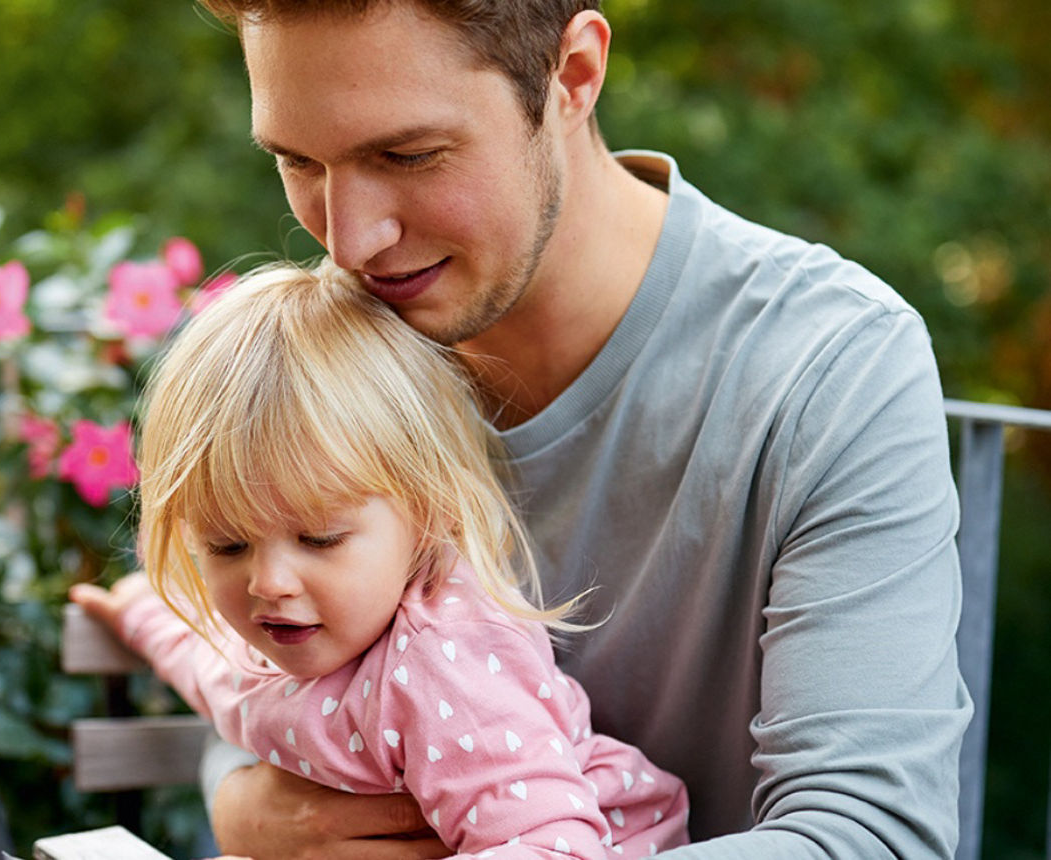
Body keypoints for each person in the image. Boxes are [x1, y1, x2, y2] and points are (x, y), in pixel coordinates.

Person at [125, 1, 973, 857]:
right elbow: (279, 668)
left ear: (572, 76)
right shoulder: (339, 350)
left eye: (409, 155)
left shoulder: (829, 365)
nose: (350, 241)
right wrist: (242, 804)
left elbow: (871, 839)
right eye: (297, 161)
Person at [72, 258, 691, 858]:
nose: (270, 582)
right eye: (227, 545)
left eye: (319, 539)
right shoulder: (264, 643)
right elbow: (203, 660)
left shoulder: (443, 663)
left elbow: (556, 846)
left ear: (428, 511)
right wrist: (138, 612)